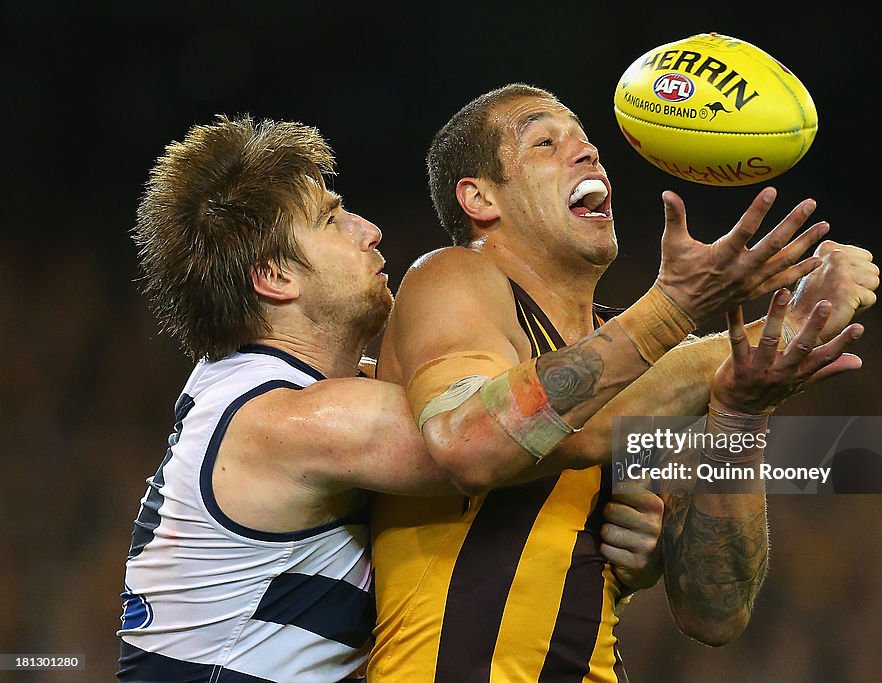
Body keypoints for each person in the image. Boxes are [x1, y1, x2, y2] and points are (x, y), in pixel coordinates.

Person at [118, 114, 666, 682]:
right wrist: (690, 331)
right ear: (276, 277)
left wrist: (634, 542)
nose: (369, 230)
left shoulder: (285, 394)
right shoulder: (282, 420)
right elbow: (492, 438)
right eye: (332, 220)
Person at [369, 84, 879, 681]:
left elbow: (715, 610)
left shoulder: (646, 364)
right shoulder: (454, 276)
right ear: (479, 197)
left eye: (587, 142)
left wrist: (740, 414)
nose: (588, 153)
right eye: (545, 141)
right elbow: (471, 441)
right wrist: (744, 320)